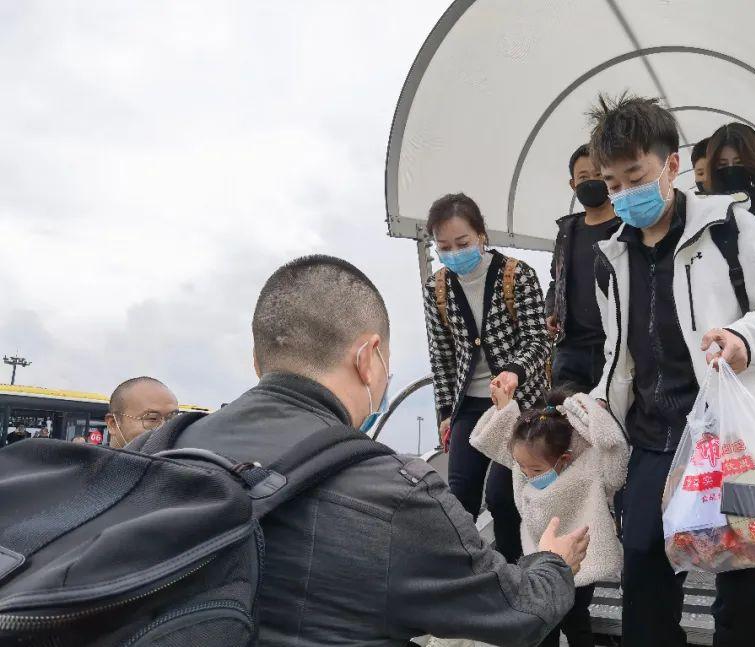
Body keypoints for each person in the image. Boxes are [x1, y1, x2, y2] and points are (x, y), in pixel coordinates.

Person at [133, 254, 587, 646]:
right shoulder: (397, 496)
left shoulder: (148, 454)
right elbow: (523, 615)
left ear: (257, 362)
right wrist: (552, 562)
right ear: (368, 359)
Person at [587, 94, 755, 647]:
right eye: (612, 183)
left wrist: (743, 337)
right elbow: (618, 352)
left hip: (731, 434)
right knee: (643, 576)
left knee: (751, 583)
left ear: (671, 165)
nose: (623, 194)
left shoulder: (729, 226)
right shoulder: (611, 259)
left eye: (634, 176)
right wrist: (597, 399)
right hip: (652, 436)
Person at [424, 193, 550, 563]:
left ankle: (517, 575)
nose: (454, 252)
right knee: (459, 495)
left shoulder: (517, 275)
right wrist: (446, 412)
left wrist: (514, 371)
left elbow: (537, 339)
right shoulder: (438, 289)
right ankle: (467, 581)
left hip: (518, 404)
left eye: (462, 243)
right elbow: (442, 357)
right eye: (443, 247)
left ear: (481, 235)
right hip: (471, 405)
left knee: (502, 495)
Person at [472, 385, 629, 647]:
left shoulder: (588, 469)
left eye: (535, 469)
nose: (528, 474)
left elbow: (614, 452)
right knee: (545, 622)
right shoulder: (522, 470)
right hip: (541, 560)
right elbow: (492, 441)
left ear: (565, 458)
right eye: (523, 467)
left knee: (575, 618)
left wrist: (586, 408)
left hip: (581, 561)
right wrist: (504, 408)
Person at [546, 144, 621, 393]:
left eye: (599, 175)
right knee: (565, 422)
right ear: (573, 185)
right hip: (571, 350)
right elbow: (556, 281)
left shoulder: (626, 226)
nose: (592, 182)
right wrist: (551, 311)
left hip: (616, 345)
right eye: (584, 177)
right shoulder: (567, 232)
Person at [105, 376, 180, 448]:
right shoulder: (94, 460)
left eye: (172, 419)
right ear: (113, 424)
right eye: (153, 418)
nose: (165, 429)